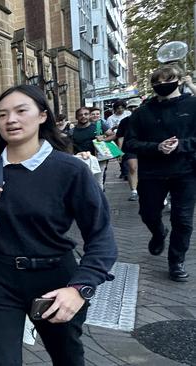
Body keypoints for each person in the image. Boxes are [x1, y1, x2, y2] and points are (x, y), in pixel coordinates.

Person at [0, 85, 117, 365]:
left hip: (55, 280)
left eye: (21, 111)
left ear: (42, 116)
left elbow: (102, 238)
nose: (11, 120)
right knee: (1, 360)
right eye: (2, 114)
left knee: (67, 357)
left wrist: (79, 288)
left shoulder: (70, 170)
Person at [124, 64, 196, 282]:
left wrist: (180, 145)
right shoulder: (142, 112)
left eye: (168, 80)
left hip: (186, 170)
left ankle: (176, 261)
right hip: (152, 172)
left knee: (182, 219)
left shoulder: (192, 105)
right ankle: (158, 233)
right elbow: (130, 142)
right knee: (149, 214)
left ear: (179, 80)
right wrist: (156, 147)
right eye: (157, 82)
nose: (163, 85)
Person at [71, 107, 109, 190]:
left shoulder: (98, 127)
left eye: (86, 114)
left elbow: (113, 135)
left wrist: (104, 138)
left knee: (98, 183)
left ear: (89, 116)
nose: (83, 116)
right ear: (76, 117)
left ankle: (99, 201)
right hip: (81, 159)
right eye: (80, 115)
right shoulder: (72, 131)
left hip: (99, 158)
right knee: (83, 184)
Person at [115, 98, 142, 201]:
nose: (134, 108)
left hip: (147, 147)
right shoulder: (125, 121)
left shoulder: (148, 119)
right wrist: (120, 151)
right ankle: (134, 191)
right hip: (130, 147)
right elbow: (120, 136)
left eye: (136, 106)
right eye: (131, 107)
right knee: (132, 167)